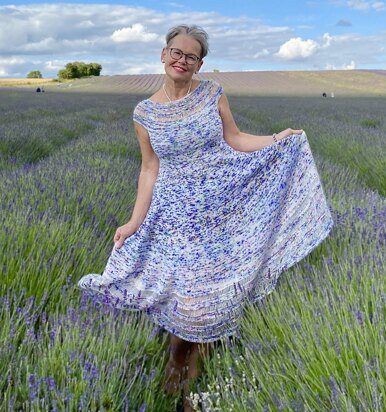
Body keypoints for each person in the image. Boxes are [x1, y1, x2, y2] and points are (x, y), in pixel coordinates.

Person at [77, 24, 334, 411]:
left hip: (221, 210)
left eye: (191, 56)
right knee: (186, 298)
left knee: (209, 298)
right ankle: (174, 372)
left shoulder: (213, 94)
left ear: (200, 63)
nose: (182, 60)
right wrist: (133, 223)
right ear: (164, 55)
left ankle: (190, 381)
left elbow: (236, 138)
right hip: (174, 219)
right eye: (176, 53)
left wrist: (277, 139)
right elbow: (149, 168)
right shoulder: (144, 113)